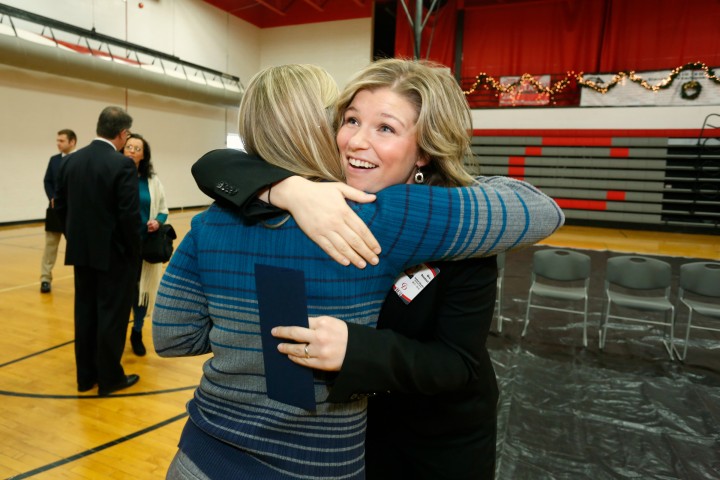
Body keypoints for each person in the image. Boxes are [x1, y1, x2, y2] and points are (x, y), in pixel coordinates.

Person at [154, 63, 563, 479]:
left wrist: (352, 349)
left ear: (424, 149)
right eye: (350, 120)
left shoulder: (429, 217)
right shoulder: (367, 212)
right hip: (330, 452)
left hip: (421, 443)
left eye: (385, 128)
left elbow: (173, 337)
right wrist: (289, 189)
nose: (357, 141)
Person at [54, 106, 141, 396]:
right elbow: (128, 216)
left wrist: (75, 239)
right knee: (112, 317)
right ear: (122, 133)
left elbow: (60, 207)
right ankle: (110, 378)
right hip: (114, 255)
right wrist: (135, 250)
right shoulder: (122, 165)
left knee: (86, 314)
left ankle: (85, 377)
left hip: (81, 253)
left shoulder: (71, 162)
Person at [123, 133, 168, 356]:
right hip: (120, 246)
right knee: (123, 290)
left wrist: (157, 222)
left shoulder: (152, 181)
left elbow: (163, 210)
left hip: (144, 245)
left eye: (136, 148)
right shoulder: (116, 175)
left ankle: (137, 331)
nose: (131, 150)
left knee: (142, 292)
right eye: (128, 146)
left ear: (143, 155)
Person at [40, 129, 77, 293]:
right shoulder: (53, 160)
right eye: (57, 140)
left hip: (74, 212)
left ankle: (82, 279)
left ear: (72, 142)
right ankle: (45, 278)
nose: (58, 143)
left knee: (77, 247)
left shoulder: (79, 159)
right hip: (55, 210)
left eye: (61, 141)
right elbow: (47, 181)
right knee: (50, 246)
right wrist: (52, 198)